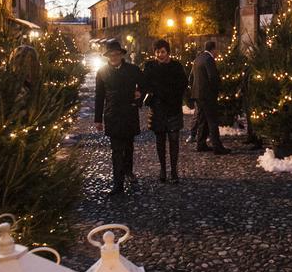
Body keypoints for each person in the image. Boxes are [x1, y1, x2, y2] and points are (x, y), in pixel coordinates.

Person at [94, 40, 143, 195]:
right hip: (112, 114)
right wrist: (98, 119)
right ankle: (118, 184)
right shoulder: (102, 72)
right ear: (107, 56)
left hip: (129, 112)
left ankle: (128, 171)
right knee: (116, 150)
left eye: (117, 54)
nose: (114, 57)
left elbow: (145, 84)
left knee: (128, 146)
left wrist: (139, 96)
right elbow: (99, 96)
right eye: (111, 54)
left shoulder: (133, 70)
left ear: (121, 54)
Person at [142, 39, 189, 183]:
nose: (160, 54)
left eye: (162, 51)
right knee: (160, 141)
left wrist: (173, 96)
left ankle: (174, 171)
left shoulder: (176, 66)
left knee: (174, 141)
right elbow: (144, 84)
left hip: (173, 109)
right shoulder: (150, 67)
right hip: (158, 109)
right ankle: (163, 169)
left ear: (167, 52)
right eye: (157, 52)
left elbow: (183, 84)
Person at [191, 40, 231, 155]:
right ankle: (217, 147)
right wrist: (217, 90)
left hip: (198, 94)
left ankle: (201, 144)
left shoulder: (198, 58)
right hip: (207, 95)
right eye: (216, 50)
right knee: (212, 121)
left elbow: (192, 77)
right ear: (213, 49)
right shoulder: (209, 59)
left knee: (202, 120)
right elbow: (213, 77)